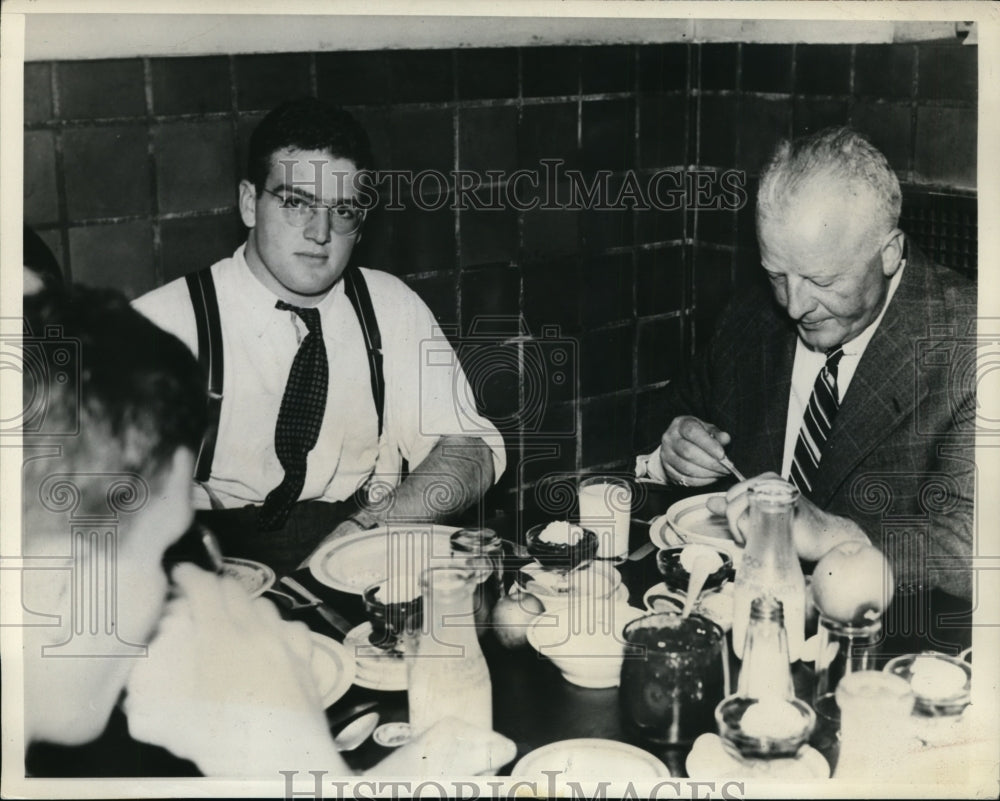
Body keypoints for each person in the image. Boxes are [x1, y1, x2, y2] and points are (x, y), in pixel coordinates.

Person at [18, 286, 515, 778]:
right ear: (53, 579)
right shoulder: (163, 320)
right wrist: (295, 759)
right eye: (160, 555)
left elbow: (469, 449)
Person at [133, 97, 505, 575]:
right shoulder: (160, 325)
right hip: (214, 585)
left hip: (356, 560)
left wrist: (364, 532)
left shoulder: (389, 307)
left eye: (343, 210)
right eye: (296, 203)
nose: (320, 232)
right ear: (250, 203)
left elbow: (471, 449)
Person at [638, 127, 975, 608]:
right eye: (777, 275)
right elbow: (660, 420)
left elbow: (971, 547)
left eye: (821, 280)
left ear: (889, 253)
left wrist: (833, 535)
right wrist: (671, 455)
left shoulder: (970, 342)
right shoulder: (752, 316)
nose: (794, 306)